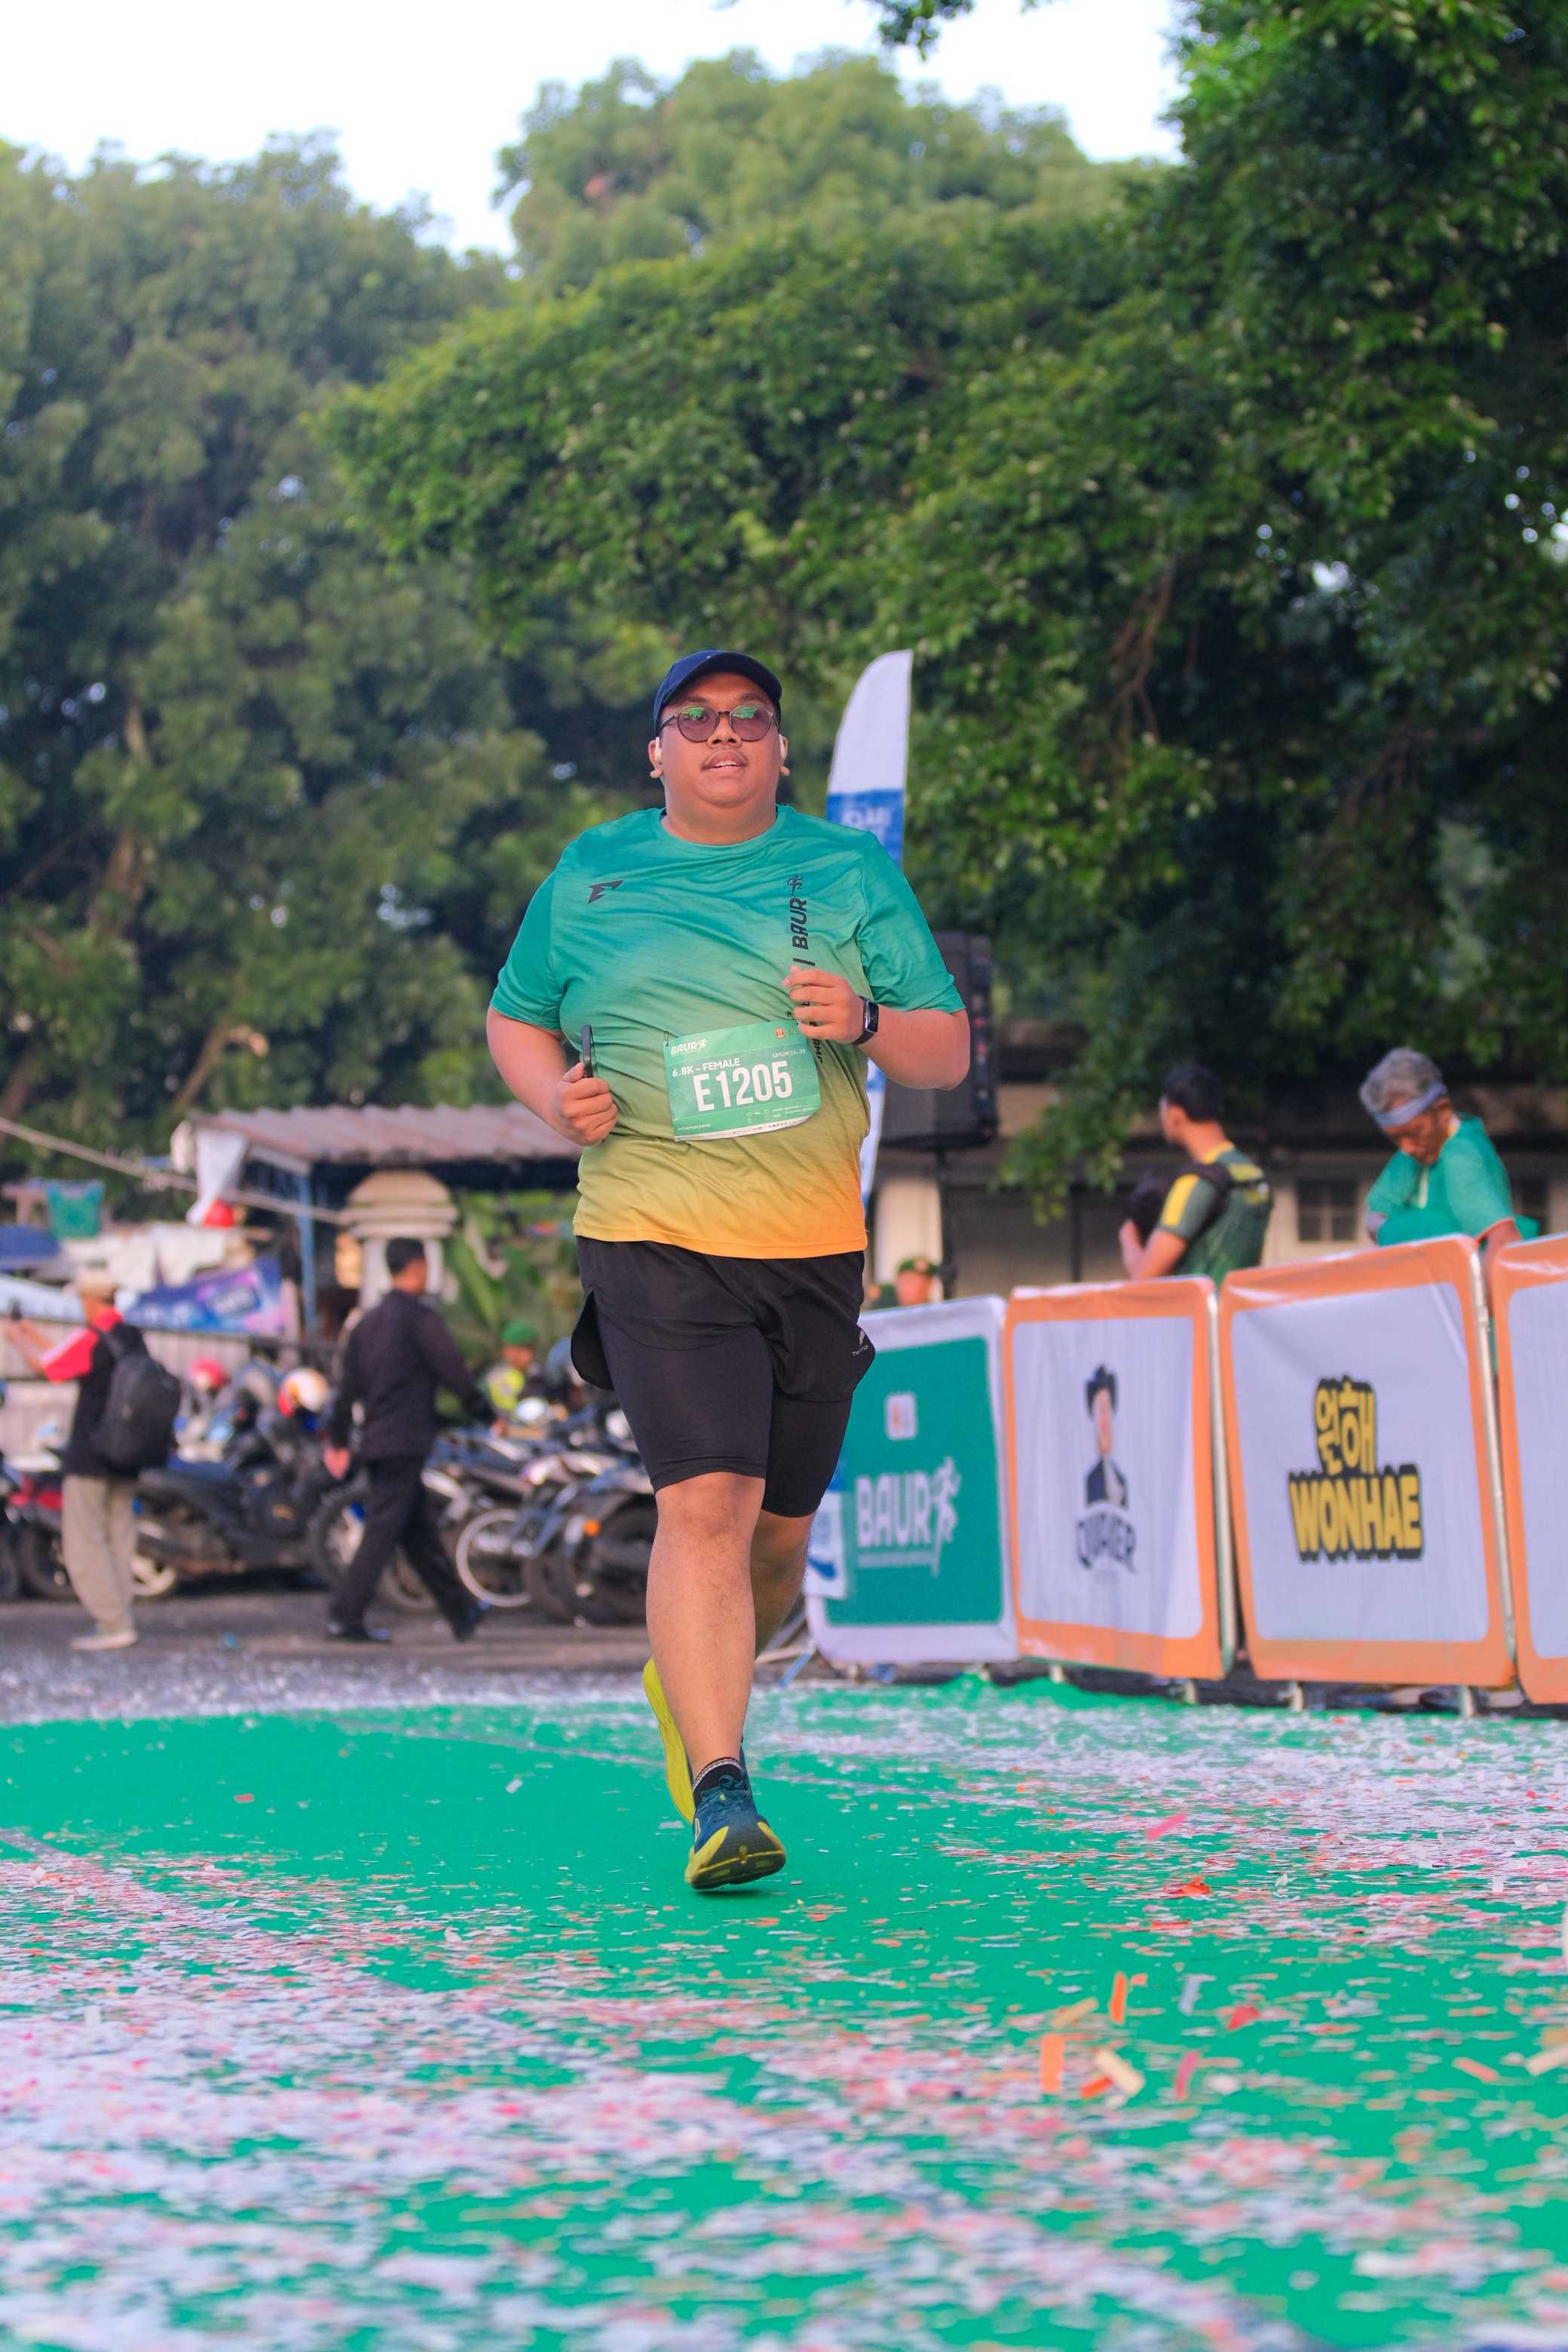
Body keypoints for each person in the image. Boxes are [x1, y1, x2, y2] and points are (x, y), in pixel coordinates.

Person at [486, 647, 969, 1891]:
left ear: (780, 750)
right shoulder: (591, 871)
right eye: (694, 719)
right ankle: (721, 1793)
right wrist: (555, 1100)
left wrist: (865, 1021)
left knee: (775, 1542)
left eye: (749, 717)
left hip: (810, 1246)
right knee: (705, 1503)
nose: (723, 735)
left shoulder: (848, 871)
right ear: (657, 752)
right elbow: (515, 1015)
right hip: (650, 1227)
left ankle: (687, 1676)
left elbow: (946, 1051)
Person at [320, 1238, 494, 1643]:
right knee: (382, 1534)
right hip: (405, 1442)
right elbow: (453, 1372)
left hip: (377, 1441)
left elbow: (346, 1389)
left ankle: (462, 1612)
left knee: (418, 1533)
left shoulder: (366, 1324)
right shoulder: (419, 1320)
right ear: (418, 1267)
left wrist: (339, 1440)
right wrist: (486, 1414)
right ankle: (344, 1615)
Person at [10, 1271, 142, 1651]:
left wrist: (17, 1338)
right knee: (119, 1537)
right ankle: (121, 1617)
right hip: (126, 1455)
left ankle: (113, 1623)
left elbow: (48, 1367)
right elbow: (66, 1357)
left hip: (92, 1456)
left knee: (84, 1541)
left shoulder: (93, 1337)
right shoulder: (130, 1337)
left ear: (90, 1300)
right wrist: (35, 1336)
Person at [1359, 1048, 1533, 1282]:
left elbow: (1503, 1239)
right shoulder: (1413, 1154)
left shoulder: (1461, 1156)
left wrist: (1401, 1228)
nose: (1407, 1147)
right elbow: (1374, 1217)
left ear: (1442, 1111)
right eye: (1396, 1139)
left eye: (1414, 1133)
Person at [1119, 1064, 1272, 1284]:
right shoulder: (1250, 1172)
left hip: (1206, 1307)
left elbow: (1142, 1280)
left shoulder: (1196, 1183)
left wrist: (1129, 1233)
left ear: (1175, 1115)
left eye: (1162, 1111)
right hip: (1240, 1304)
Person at [483, 1319, 540, 1420]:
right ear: (506, 1350)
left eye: (530, 1349)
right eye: (520, 1350)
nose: (528, 1356)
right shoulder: (494, 1378)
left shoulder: (538, 1372)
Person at [868, 1253, 941, 1310]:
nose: (903, 1287)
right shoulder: (884, 1308)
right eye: (902, 1282)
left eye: (910, 1281)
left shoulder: (936, 1315)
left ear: (929, 1285)